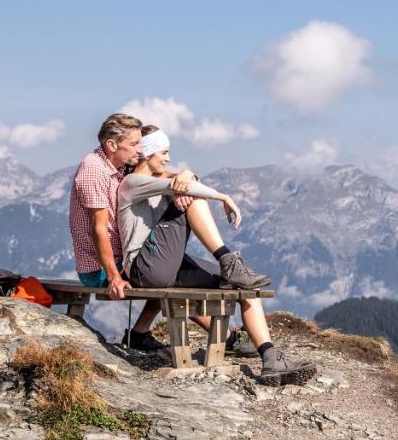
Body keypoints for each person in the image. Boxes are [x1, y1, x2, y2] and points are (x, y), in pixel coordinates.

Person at [117, 125, 316, 386]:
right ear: (148, 153)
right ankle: (227, 258)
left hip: (165, 265)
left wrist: (188, 174)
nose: (167, 158)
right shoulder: (132, 183)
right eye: (164, 152)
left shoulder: (158, 180)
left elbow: (183, 179)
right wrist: (222, 196)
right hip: (145, 267)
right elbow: (187, 186)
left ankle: (270, 358)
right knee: (191, 197)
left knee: (246, 285)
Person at [68, 112, 271, 345]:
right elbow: (98, 230)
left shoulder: (122, 165)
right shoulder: (94, 169)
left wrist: (186, 175)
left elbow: (166, 176)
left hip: (126, 258)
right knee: (164, 273)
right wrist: (114, 277)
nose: (139, 150)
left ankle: (142, 333)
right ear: (112, 144)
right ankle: (227, 333)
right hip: (101, 269)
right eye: (134, 144)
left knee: (167, 270)